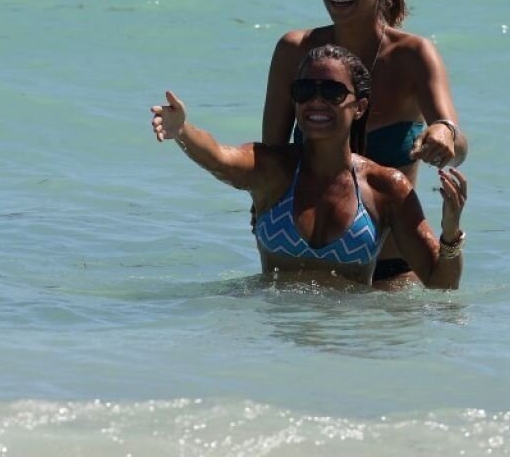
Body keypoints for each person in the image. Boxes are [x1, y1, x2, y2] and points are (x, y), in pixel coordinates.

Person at [152, 45, 468, 290]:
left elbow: (441, 283)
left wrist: (451, 231)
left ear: (359, 107)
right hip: (276, 336)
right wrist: (183, 130)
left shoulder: (385, 187)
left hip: (350, 336)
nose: (316, 101)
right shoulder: (273, 170)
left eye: (332, 92)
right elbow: (218, 157)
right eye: (304, 91)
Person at [262, 0, 468, 288]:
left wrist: (444, 132)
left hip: (390, 277)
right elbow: (270, 160)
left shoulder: (413, 55)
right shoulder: (296, 51)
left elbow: (457, 144)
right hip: (300, 275)